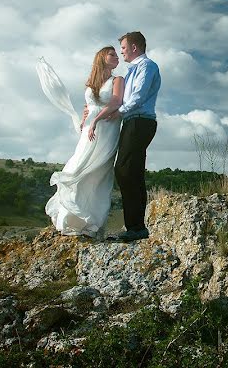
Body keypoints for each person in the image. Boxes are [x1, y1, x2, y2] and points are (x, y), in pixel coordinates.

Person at [44, 46, 124, 237]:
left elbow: (115, 102)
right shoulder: (91, 82)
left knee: (98, 173)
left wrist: (96, 119)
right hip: (89, 130)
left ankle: (92, 223)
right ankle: (71, 218)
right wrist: (85, 118)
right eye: (112, 54)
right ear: (101, 58)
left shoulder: (118, 80)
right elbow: (90, 105)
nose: (117, 57)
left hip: (106, 128)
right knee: (78, 166)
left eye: (117, 54)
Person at [103, 31, 161, 242]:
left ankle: (136, 227)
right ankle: (136, 227)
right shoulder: (131, 71)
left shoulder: (147, 66)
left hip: (140, 121)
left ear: (135, 48)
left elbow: (138, 95)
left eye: (124, 48)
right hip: (132, 121)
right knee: (132, 171)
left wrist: (119, 112)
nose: (122, 53)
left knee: (126, 170)